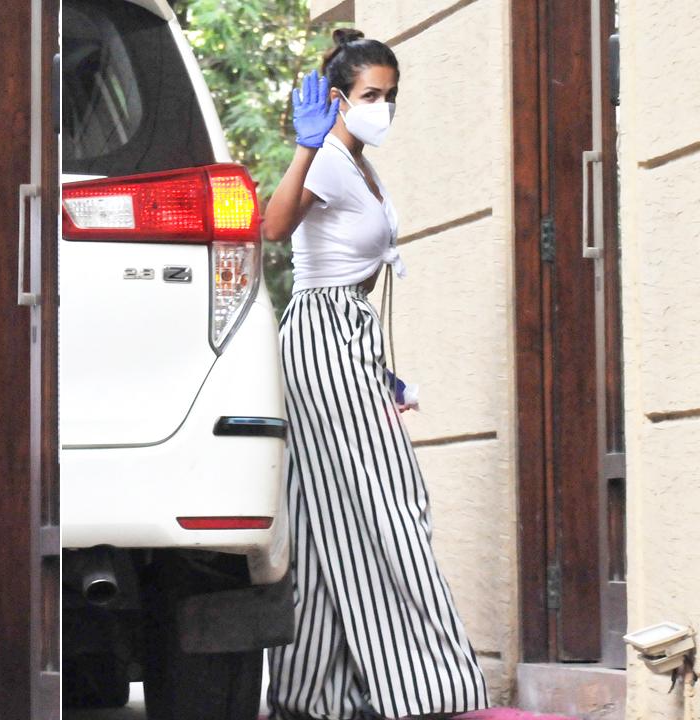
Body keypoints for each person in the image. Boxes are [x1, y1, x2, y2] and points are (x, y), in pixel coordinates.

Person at [260, 29, 489, 720]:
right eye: (369, 96)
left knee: (328, 510)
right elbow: (272, 229)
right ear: (338, 99)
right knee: (394, 501)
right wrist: (305, 143)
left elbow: (357, 278)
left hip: (343, 339)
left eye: (390, 96)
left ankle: (314, 689)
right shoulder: (328, 158)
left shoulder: (361, 165)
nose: (382, 107)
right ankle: (427, 684)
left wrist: (380, 373)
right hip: (322, 338)